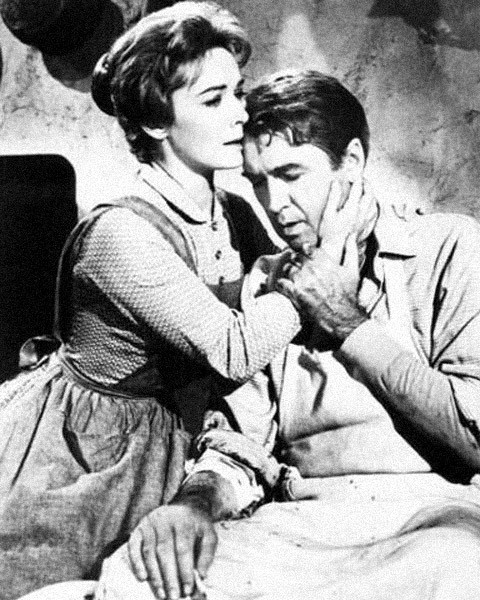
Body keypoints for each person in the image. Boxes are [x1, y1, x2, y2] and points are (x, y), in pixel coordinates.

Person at [95, 69, 480, 600]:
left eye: (291, 174)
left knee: (460, 572)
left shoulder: (448, 248)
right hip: (299, 523)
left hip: (432, 517)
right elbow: (238, 445)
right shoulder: (268, 280)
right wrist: (191, 506)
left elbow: (474, 435)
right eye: (257, 181)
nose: (274, 203)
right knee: (139, 575)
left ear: (351, 161)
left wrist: (347, 323)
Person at [0, 6, 306, 599]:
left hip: (180, 434)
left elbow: (273, 292)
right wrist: (317, 282)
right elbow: (235, 349)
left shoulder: (233, 213)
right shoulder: (120, 234)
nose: (241, 114)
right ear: (155, 121)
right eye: (214, 100)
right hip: (88, 454)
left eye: (239, 93)